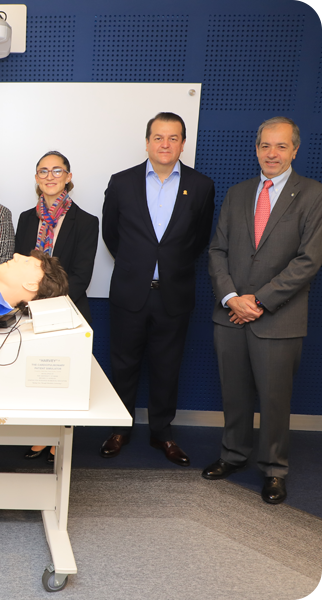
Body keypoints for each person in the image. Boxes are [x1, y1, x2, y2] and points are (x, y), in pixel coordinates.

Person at [203, 116, 322, 505]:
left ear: (295, 150)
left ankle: (274, 469)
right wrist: (231, 297)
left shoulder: (313, 195)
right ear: (256, 149)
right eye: (265, 146)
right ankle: (233, 455)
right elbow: (217, 250)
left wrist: (259, 301)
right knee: (233, 394)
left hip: (278, 318)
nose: (272, 153)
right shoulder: (238, 194)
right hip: (230, 314)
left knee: (275, 399)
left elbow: (308, 260)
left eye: (281, 146)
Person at [101, 112, 215, 466]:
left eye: (173, 138)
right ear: (147, 141)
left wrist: (167, 264)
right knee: (124, 365)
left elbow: (199, 240)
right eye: (158, 137)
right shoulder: (121, 183)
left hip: (173, 294)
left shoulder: (201, 186)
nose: (165, 145)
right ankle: (120, 428)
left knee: (167, 367)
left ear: (183, 143)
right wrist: (138, 264)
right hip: (130, 292)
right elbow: (112, 236)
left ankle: (162, 434)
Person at [15, 150, 99, 463]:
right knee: (35, 376)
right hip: (29, 313)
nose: (50, 177)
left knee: (64, 379)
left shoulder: (87, 222)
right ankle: (39, 434)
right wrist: (30, 303)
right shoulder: (25, 219)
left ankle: (59, 440)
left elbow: (82, 275)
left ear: (68, 176)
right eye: (43, 171)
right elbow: (19, 266)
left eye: (57, 171)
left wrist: (48, 303)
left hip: (68, 311)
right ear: (36, 178)